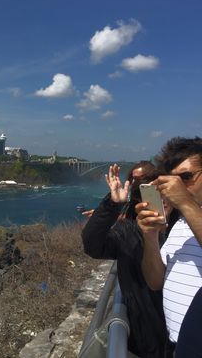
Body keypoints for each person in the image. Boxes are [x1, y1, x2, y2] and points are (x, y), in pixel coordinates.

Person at [81, 162, 170, 357]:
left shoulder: (187, 231)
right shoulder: (128, 233)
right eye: (139, 189)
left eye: (158, 189)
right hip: (149, 339)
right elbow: (92, 245)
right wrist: (112, 204)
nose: (157, 200)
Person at [137, 137, 202, 350]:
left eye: (186, 176)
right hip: (177, 344)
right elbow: (155, 282)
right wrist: (150, 237)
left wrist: (184, 202)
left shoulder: (188, 212)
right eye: (171, 180)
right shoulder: (182, 223)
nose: (177, 187)